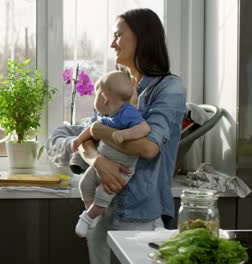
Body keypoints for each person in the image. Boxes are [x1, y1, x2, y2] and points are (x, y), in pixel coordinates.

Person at [77, 9, 186, 263]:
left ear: (142, 38)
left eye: (118, 35)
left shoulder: (169, 88)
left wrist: (98, 130)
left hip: (140, 214)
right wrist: (98, 162)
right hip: (102, 210)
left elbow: (148, 148)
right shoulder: (114, 83)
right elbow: (86, 143)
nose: (112, 43)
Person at [72, 70, 151, 238]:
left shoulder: (128, 112)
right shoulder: (106, 114)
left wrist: (124, 134)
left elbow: (144, 128)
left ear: (104, 98)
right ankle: (91, 211)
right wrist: (78, 140)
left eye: (95, 95)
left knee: (103, 195)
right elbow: (92, 129)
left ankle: (87, 217)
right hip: (102, 161)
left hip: (121, 170)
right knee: (84, 184)